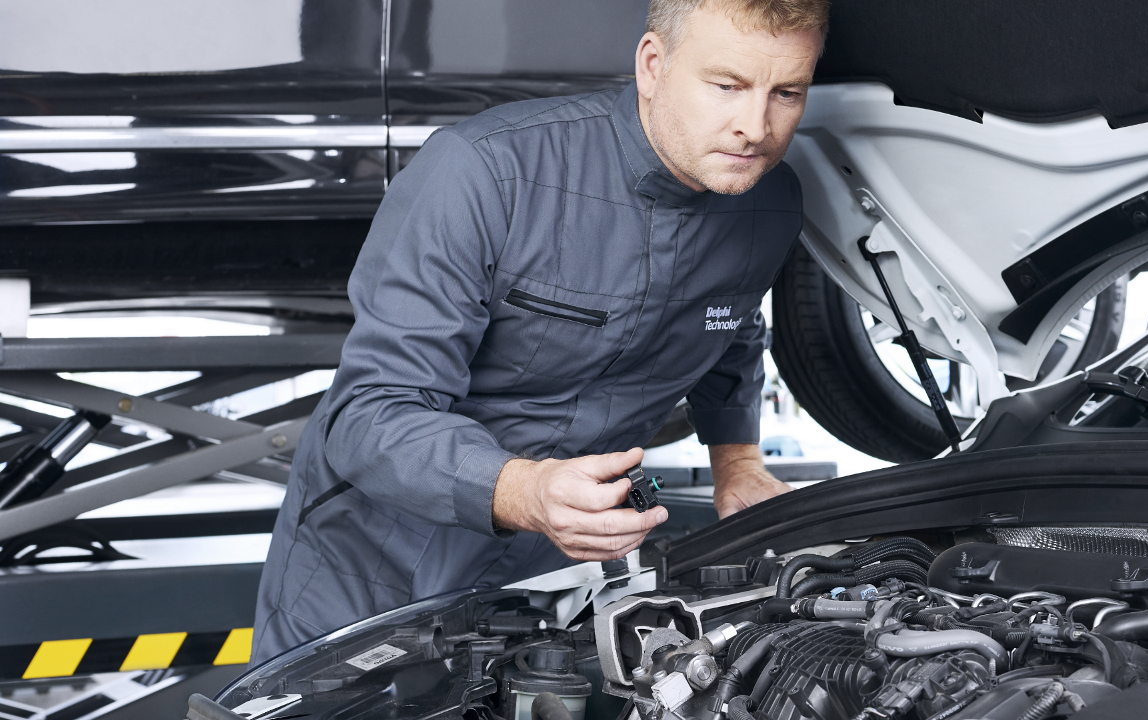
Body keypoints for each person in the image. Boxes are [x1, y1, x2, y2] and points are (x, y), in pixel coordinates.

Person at [251, 0, 829, 664]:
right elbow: (367, 417)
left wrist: (738, 464)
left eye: (786, 93)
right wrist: (525, 492)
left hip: (544, 581)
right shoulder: (484, 174)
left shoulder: (770, 201)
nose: (754, 127)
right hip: (371, 570)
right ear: (652, 65)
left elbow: (732, 327)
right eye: (726, 86)